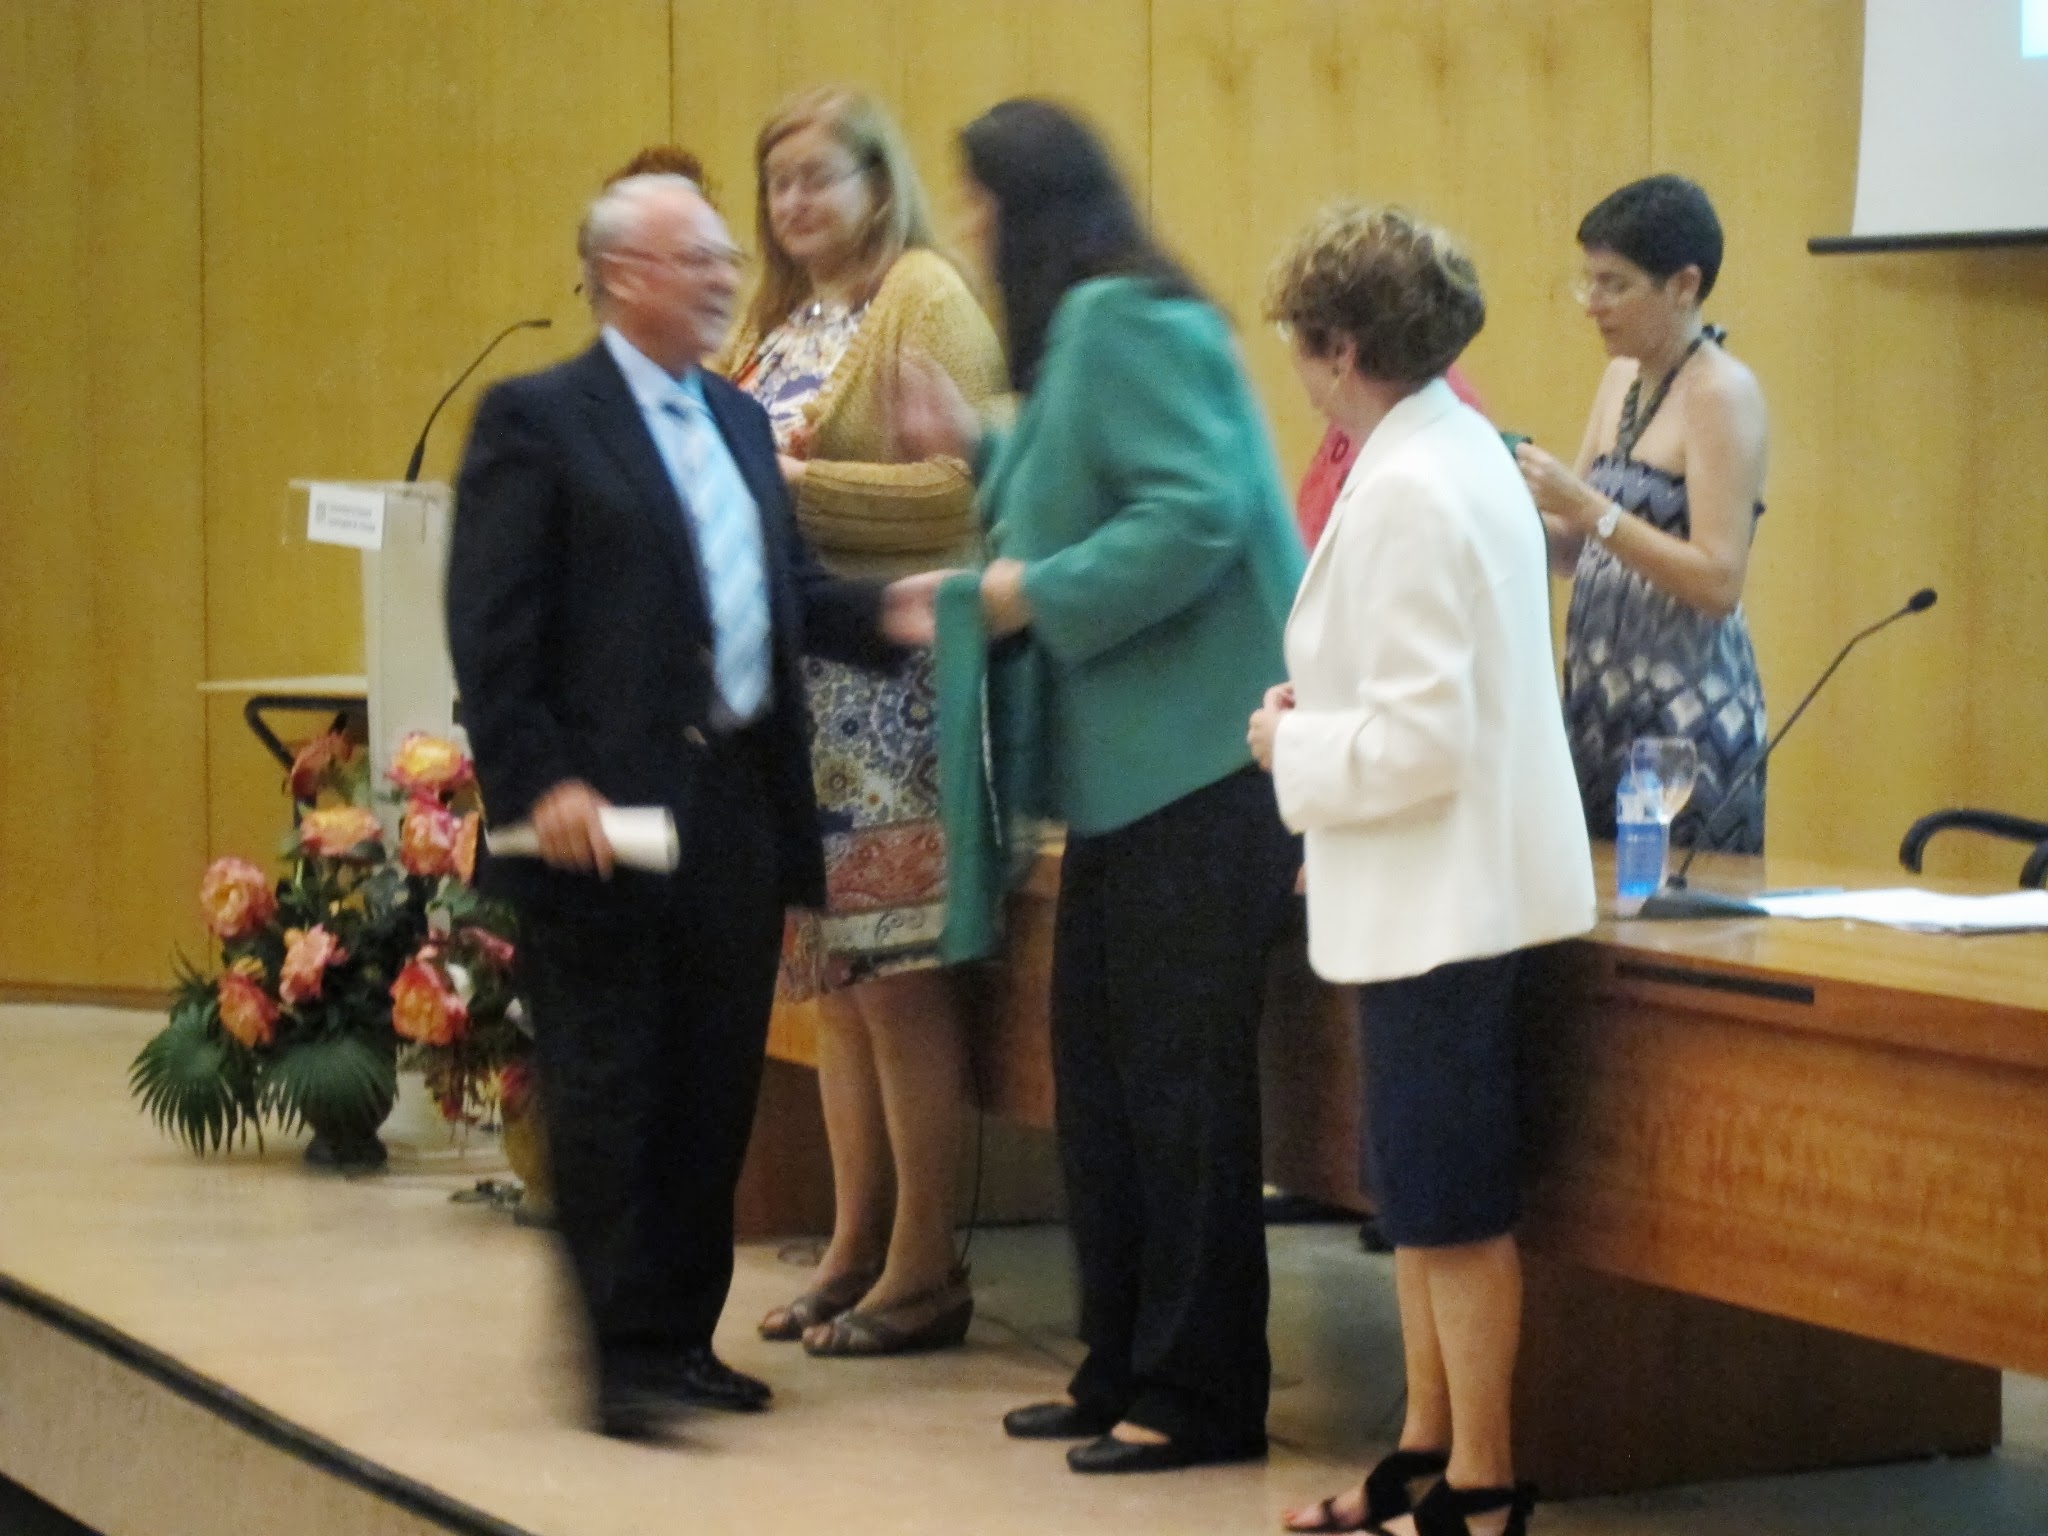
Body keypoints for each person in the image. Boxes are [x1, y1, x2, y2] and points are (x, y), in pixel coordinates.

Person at [445, 173, 918, 1441]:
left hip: (734, 805)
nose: (722, 279)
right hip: (597, 820)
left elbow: (787, 593)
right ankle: (620, 1356)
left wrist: (894, 613)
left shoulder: (740, 420)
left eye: (724, 260)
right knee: (610, 1088)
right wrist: (542, 784)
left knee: (712, 1087)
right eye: (695, 259)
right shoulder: (538, 420)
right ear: (622, 276)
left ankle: (680, 1341)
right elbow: (493, 632)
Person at [893, 98, 1304, 1475]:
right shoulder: (1090, 330)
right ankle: (1119, 1361)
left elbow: (1195, 511)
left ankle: (1202, 1394)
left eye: (981, 201)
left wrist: (1027, 594)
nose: (969, 227)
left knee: (1181, 1102)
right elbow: (1076, 481)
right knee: (1105, 1089)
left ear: (1034, 207)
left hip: (1204, 764)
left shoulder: (1125, 318)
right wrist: (976, 445)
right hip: (1132, 779)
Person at [1250, 204, 1595, 1536]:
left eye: (1298, 341)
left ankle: (1484, 1483)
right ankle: (1424, 1448)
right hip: (1444, 891)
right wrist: (1324, 706)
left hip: (1441, 899)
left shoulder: (1408, 485)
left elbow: (1422, 740)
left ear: (1340, 346)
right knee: (1414, 1195)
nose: (1295, 364)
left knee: (1448, 1207)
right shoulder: (1449, 450)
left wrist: (1289, 742)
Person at [713, 87, 1005, 1358]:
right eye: (777, 182)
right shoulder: (773, 322)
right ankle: (850, 1244)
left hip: (892, 691)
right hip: (800, 694)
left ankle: (924, 1261)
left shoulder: (923, 295)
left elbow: (964, 491)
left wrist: (788, 485)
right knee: (832, 984)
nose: (792, 203)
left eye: (817, 177)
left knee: (897, 982)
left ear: (879, 185)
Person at [1515, 174, 1770, 852]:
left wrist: (1587, 506)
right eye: (1589, 283)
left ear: (1683, 285)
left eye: (1615, 285)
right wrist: (1500, 509)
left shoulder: (1722, 393)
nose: (1593, 306)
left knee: (1661, 912)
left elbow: (1718, 581)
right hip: (1600, 704)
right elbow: (1575, 549)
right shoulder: (1620, 379)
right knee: (1598, 911)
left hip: (1683, 725)